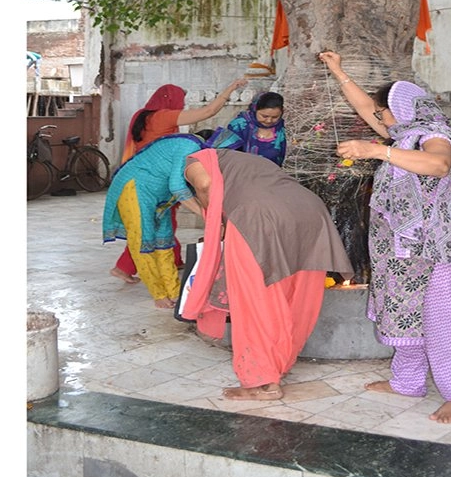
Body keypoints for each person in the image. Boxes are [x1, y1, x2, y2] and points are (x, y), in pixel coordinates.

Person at [317, 50, 451, 424]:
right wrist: (338, 71)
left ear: (402, 110)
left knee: (445, 319)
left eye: (383, 113)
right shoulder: (404, 134)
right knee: (407, 314)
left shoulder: (433, 135)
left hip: (441, 250)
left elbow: (438, 165)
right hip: (403, 251)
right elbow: (366, 107)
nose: (378, 120)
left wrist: (375, 150)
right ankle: (408, 381)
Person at [180, 148, 353, 401]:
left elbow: (204, 184)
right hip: (310, 212)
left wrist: (216, 220)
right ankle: (277, 365)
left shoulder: (192, 158)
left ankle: (261, 383)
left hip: (258, 217)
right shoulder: (244, 161)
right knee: (297, 296)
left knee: (254, 301)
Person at [110, 78, 247, 284]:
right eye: (180, 101)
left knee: (164, 221)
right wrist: (231, 88)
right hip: (154, 182)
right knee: (151, 225)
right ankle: (124, 267)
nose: (182, 106)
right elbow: (207, 112)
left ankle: (174, 259)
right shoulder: (162, 117)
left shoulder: (143, 117)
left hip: (148, 176)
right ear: (170, 99)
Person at [103, 134, 210, 309]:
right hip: (136, 188)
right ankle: (158, 294)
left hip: (161, 196)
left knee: (165, 243)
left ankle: (175, 293)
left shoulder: (199, 154)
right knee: (143, 241)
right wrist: (204, 214)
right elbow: (177, 186)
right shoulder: (190, 148)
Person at [219, 91, 287, 165]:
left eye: (275, 117)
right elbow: (226, 154)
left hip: (272, 174)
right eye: (264, 116)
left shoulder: (282, 127)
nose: (269, 120)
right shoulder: (239, 125)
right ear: (254, 109)